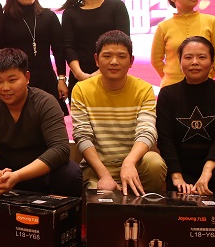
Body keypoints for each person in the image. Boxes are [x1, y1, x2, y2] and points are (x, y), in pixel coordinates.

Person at [0, 48, 81, 196]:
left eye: (12, 80)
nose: (5, 88)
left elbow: (60, 148)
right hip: (7, 169)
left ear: (27, 77)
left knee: (71, 174)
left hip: (41, 172)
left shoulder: (45, 102)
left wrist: (17, 176)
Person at [71, 30, 166, 195]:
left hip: (134, 166)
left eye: (122, 56)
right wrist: (104, 175)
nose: (114, 62)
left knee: (155, 163)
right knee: (102, 200)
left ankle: (141, 205)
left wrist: (129, 163)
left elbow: (147, 131)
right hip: (97, 170)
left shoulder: (143, 89)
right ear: (96, 60)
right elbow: (82, 135)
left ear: (131, 61)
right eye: (107, 56)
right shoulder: (81, 89)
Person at [156, 36, 215, 200]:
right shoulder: (168, 94)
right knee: (179, 193)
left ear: (212, 62)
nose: (194, 62)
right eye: (188, 57)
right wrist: (176, 176)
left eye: (202, 57)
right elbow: (165, 139)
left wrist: (207, 170)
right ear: (180, 61)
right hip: (182, 168)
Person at [60, 0, 130, 97]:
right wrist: (79, 74)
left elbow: (124, 42)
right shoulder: (70, 13)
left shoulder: (116, 7)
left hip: (112, 75)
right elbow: (68, 46)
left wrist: (99, 73)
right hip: (80, 79)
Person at [0, 0, 68, 112]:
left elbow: (59, 49)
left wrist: (61, 79)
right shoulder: (4, 18)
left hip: (46, 78)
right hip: (17, 80)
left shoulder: (48, 16)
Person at [150, 0, 215, 87]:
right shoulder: (163, 26)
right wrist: (171, 77)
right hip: (172, 86)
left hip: (204, 85)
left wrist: (207, 76)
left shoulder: (211, 21)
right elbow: (156, 60)